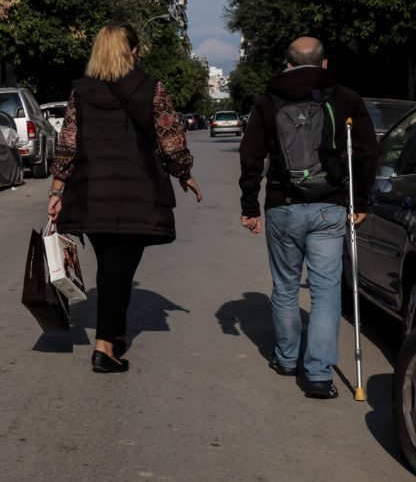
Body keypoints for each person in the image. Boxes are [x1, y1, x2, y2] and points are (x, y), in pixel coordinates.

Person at [47, 23, 203, 374]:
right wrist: (184, 173)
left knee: (111, 269)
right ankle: (104, 348)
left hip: (91, 195)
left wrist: (57, 189)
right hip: (137, 196)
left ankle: (113, 335)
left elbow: (67, 145)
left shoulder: (80, 91)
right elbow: (170, 138)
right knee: (118, 271)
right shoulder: (151, 88)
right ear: (131, 51)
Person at [239, 36, 377, 399]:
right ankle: (317, 374)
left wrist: (249, 205)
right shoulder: (345, 97)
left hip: (282, 205)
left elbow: (251, 154)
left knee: (285, 287)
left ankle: (286, 359)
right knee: (326, 291)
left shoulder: (268, 100)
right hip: (330, 206)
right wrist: (360, 200)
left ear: (287, 63)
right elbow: (365, 151)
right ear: (324, 64)